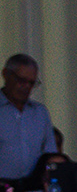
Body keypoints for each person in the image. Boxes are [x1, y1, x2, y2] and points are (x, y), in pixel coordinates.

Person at [0, 54, 57, 185]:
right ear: (6, 74)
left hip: (33, 187)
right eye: (21, 80)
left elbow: (50, 153)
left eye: (31, 83)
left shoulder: (40, 112)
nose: (26, 87)